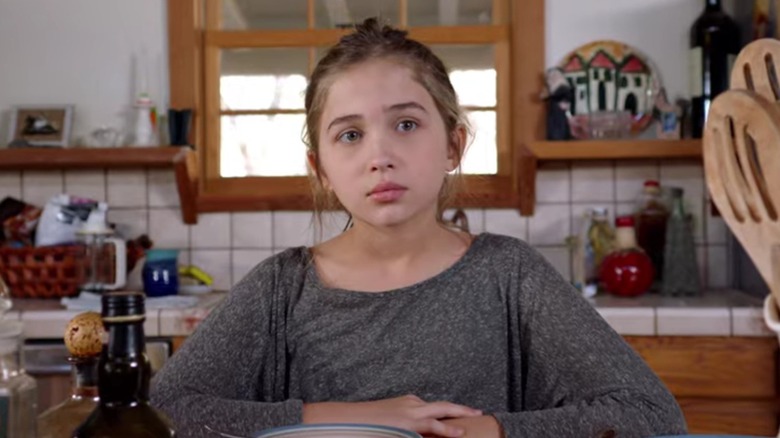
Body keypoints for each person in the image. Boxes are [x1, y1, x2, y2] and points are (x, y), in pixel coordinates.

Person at [150, 18, 687, 438]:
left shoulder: (510, 275)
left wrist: (496, 428)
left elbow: (651, 414)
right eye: (349, 135)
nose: (380, 155)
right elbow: (160, 413)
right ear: (322, 170)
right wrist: (348, 419)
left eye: (405, 124)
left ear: (453, 145)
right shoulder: (279, 289)